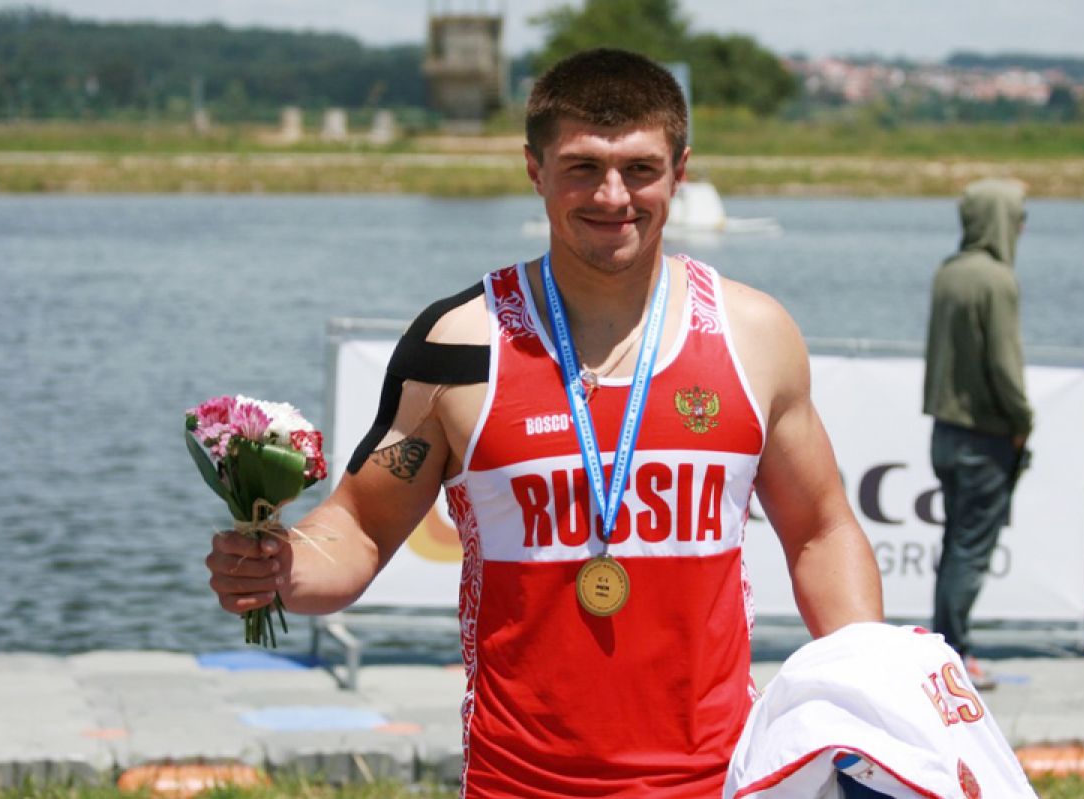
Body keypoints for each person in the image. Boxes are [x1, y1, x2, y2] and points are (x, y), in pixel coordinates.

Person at [207, 48, 883, 798]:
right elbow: (362, 526)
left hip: (716, 780)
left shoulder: (753, 334)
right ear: (534, 169)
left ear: (681, 171)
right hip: (519, 782)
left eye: (640, 168)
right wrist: (281, 568)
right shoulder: (461, 344)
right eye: (582, 167)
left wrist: (877, 699)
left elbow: (821, 530)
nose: (613, 195)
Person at [923, 178, 1033, 691]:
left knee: (955, 545)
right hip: (985, 436)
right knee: (971, 550)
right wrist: (1022, 421)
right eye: (1018, 216)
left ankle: (947, 646)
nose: (1022, 227)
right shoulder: (996, 280)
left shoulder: (949, 272)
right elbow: (1004, 366)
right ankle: (956, 653)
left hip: (945, 432)